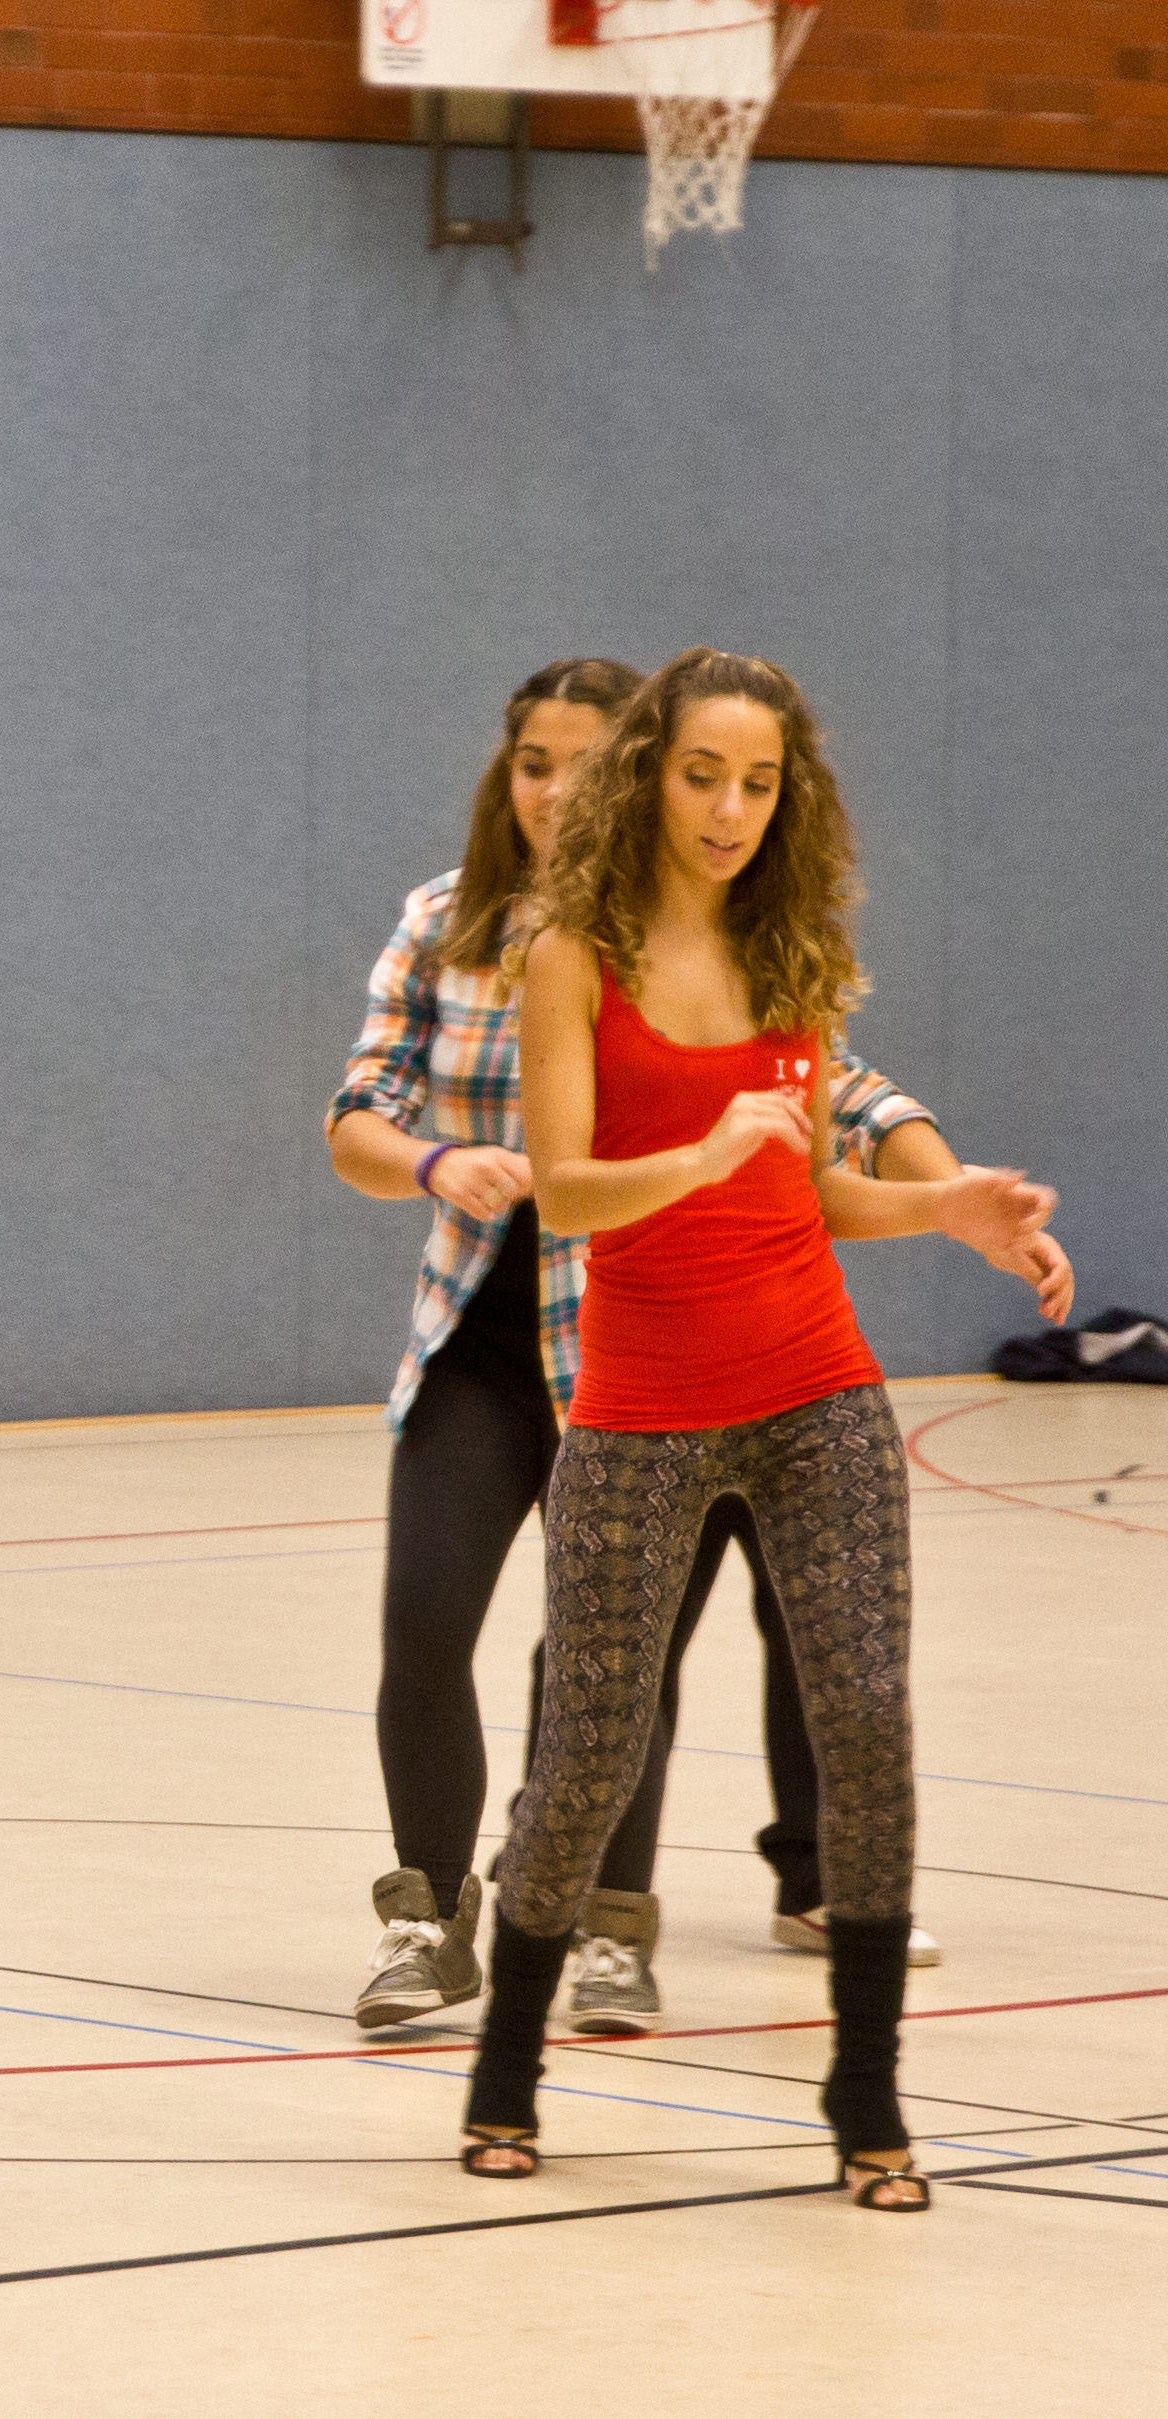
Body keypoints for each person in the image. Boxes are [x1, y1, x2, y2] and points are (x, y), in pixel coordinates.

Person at [326, 661, 1043, 2033]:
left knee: (620, 1661)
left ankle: (615, 1922)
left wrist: (953, 1195)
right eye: (532, 761)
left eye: (586, 762)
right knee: (429, 1622)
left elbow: (842, 1099)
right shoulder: (463, 924)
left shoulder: (733, 934)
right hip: (497, 1329)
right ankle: (430, 1918)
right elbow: (365, 1113)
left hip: (660, 1340)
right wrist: (433, 1161)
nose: (556, 790)